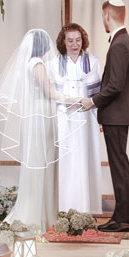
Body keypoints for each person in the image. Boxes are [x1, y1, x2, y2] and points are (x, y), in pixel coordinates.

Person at [0, 28, 60, 229]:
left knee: (37, 160)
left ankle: (39, 210)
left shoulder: (27, 64)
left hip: (34, 115)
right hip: (42, 115)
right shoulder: (38, 64)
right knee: (43, 159)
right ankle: (40, 214)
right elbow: (50, 93)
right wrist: (72, 98)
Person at [87, 0, 129, 232]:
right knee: (121, 166)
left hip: (115, 116)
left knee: (119, 167)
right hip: (116, 115)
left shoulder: (119, 43)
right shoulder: (122, 40)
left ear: (108, 15)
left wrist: (93, 101)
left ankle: (125, 219)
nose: (103, 21)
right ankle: (121, 216)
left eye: (103, 16)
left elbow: (115, 84)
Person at [48, 22, 103, 213]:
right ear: (63, 42)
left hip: (86, 118)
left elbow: (98, 93)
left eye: (78, 40)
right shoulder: (53, 64)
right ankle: (64, 207)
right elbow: (50, 92)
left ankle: (86, 208)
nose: (74, 44)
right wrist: (65, 102)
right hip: (64, 117)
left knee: (85, 159)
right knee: (67, 160)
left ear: (83, 40)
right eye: (70, 40)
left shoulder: (93, 62)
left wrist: (96, 114)